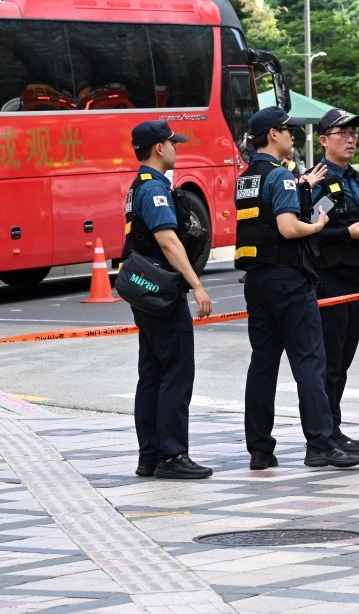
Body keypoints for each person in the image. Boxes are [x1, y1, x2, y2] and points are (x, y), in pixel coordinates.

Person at [236, 106, 359, 470]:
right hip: (289, 278)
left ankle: (260, 448)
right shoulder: (281, 177)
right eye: (288, 131)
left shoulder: (246, 178)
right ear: (273, 134)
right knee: (309, 360)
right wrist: (319, 223)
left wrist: (303, 189)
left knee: (263, 364)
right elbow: (290, 228)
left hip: (257, 280)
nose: (293, 136)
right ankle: (320, 444)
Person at [122, 121, 213, 480]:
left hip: (145, 287)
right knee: (176, 371)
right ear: (159, 148)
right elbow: (167, 240)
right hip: (162, 288)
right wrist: (197, 285)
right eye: (173, 142)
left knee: (152, 373)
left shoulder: (139, 186)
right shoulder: (154, 189)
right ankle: (172, 454)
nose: (177, 147)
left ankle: (151, 455)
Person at [310, 108, 359, 457]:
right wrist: (348, 232)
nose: (351, 138)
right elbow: (309, 230)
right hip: (332, 280)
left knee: (341, 363)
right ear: (324, 140)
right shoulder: (318, 181)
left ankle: (333, 430)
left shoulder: (357, 179)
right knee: (328, 364)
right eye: (342, 133)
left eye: (354, 133)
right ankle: (322, 438)